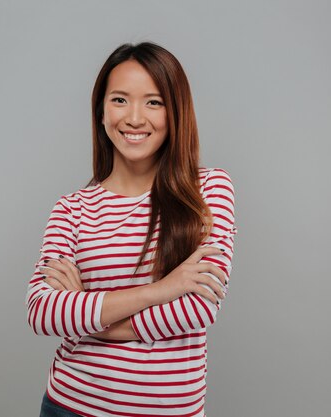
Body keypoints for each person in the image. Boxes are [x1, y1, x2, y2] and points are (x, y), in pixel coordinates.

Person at [26, 41, 237, 417]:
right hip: (71, 406)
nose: (135, 118)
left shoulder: (208, 189)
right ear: (101, 112)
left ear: (176, 112)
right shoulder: (72, 208)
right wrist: (164, 289)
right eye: (120, 100)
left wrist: (89, 316)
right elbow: (44, 312)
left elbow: (197, 308)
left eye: (153, 102)